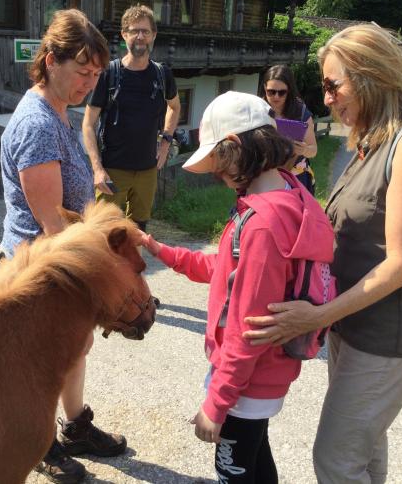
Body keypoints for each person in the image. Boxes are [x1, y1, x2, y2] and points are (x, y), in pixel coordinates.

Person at [244, 24, 402, 483]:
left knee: (336, 461)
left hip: (384, 338)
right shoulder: (369, 144)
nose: (326, 98)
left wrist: (315, 317)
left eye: (332, 85)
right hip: (352, 327)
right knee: (364, 453)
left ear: (368, 76)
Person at [140, 91, 335, 483]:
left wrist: (217, 402)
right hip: (266, 379)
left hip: (246, 386)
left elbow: (249, 327)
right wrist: (159, 250)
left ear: (234, 146)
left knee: (233, 471)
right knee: (257, 460)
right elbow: (230, 269)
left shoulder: (261, 224)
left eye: (219, 163)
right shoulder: (288, 190)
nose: (217, 174)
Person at [0, 9, 126, 484]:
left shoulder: (58, 111)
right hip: (42, 265)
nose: (88, 84)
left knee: (74, 349)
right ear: (50, 60)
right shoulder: (36, 124)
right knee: (46, 360)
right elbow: (51, 224)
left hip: (61, 260)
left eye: (96, 75)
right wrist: (97, 280)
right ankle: (41, 444)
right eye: (82, 72)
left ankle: (74, 428)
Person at [83, 3, 181, 233]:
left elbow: (174, 107)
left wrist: (166, 142)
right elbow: (88, 123)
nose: (140, 36)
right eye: (134, 31)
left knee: (137, 233)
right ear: (124, 35)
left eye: (145, 31)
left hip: (147, 170)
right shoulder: (109, 74)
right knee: (104, 234)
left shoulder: (162, 74)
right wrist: (97, 168)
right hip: (112, 170)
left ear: (153, 35)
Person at [261, 64, 317, 194]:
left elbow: (313, 150)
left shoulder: (300, 112)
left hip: (296, 178)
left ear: (289, 90)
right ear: (264, 88)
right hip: (266, 175)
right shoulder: (259, 110)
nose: (276, 97)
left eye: (282, 92)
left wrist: (304, 149)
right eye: (271, 91)